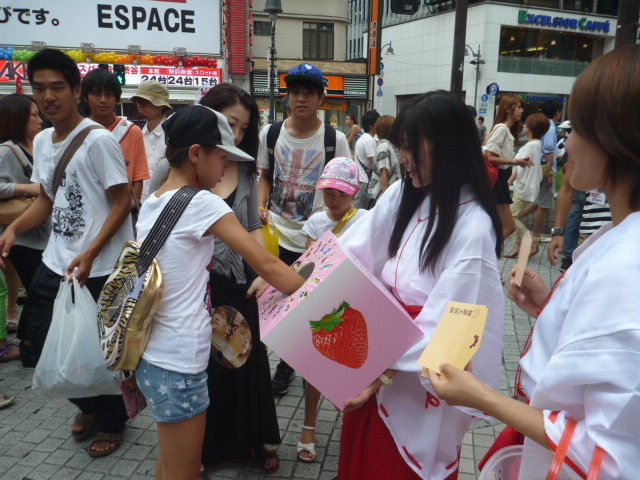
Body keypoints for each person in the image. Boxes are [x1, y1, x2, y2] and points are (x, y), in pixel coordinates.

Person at [429, 45, 640, 480]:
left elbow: (610, 453)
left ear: (616, 136)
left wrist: (484, 397)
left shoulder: (628, 264)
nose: (564, 147)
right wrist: (550, 308)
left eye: (577, 129)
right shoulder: (620, 238)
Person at [337, 90, 504, 479]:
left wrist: (378, 372)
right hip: (379, 353)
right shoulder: (405, 192)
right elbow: (354, 249)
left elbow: (448, 332)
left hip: (412, 374)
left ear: (447, 147)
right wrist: (298, 277)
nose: (403, 159)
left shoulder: (474, 226)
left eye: (411, 148)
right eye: (401, 148)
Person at [134, 104, 305, 480]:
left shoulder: (155, 202)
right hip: (180, 363)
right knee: (183, 472)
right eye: (222, 156)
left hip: (154, 357)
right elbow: (269, 265)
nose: (227, 167)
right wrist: (315, 280)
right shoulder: (201, 202)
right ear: (196, 154)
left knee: (168, 464)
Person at [0, 48, 133, 457]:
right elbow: (47, 197)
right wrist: (15, 228)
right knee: (39, 343)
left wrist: (93, 251)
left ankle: (112, 419)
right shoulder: (42, 140)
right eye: (40, 88)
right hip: (56, 259)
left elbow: (123, 200)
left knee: (97, 350)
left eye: (58, 86)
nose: (49, 96)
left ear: (76, 90)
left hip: (99, 266)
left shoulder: (98, 141)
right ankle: (87, 403)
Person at [257, 63, 351, 397]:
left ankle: (286, 365)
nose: (300, 98)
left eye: (308, 92)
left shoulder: (333, 139)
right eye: (295, 91)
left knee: (302, 306)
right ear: (287, 95)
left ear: (321, 98)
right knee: (272, 301)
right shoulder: (270, 134)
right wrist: (261, 204)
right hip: (275, 235)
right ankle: (271, 357)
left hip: (313, 239)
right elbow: (264, 175)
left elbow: (346, 185)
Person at [297, 157, 366, 463]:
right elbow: (311, 262)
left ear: (355, 193)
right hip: (323, 302)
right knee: (315, 368)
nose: (335, 200)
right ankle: (308, 427)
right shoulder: (314, 222)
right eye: (329, 193)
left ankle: (352, 433)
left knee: (355, 370)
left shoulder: (365, 218)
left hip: (356, 300)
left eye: (342, 194)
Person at [0, 93, 49, 342]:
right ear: (17, 119)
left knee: (39, 292)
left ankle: (30, 343)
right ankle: (31, 345)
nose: (39, 120)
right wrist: (22, 188)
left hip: (42, 233)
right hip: (21, 238)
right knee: (39, 292)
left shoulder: (40, 146)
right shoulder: (7, 151)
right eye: (33, 115)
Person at [81, 68, 149, 210]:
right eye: (96, 93)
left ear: (117, 98)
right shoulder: (78, 132)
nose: (103, 100)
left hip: (122, 209)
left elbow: (138, 178)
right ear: (85, 97)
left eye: (109, 94)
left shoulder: (132, 131)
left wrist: (129, 209)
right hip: (87, 209)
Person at [484, 95, 533, 239]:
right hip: (497, 178)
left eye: (521, 107)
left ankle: (487, 251)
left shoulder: (505, 129)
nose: (521, 111)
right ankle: (487, 251)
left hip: (499, 178)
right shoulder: (502, 129)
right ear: (507, 109)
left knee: (502, 224)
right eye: (518, 107)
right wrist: (517, 162)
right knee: (509, 226)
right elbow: (490, 156)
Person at [504, 113, 549, 258]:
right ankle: (517, 247)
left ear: (532, 128)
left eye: (527, 124)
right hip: (526, 185)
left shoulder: (530, 146)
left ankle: (530, 241)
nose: (523, 125)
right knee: (516, 216)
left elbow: (519, 168)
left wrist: (508, 183)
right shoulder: (536, 144)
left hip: (523, 186)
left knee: (512, 217)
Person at [529, 99, 563, 251]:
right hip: (546, 169)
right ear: (557, 112)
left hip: (539, 168)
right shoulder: (550, 127)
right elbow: (548, 150)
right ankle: (536, 234)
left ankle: (515, 217)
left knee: (539, 200)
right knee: (545, 204)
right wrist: (550, 175)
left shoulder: (544, 125)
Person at [131, 80, 172, 202]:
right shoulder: (136, 135)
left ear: (162, 105)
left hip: (164, 203)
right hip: (139, 205)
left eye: (146, 101)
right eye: (138, 101)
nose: (140, 104)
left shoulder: (172, 136)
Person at [366, 115, 400, 204]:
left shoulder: (386, 145)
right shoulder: (384, 146)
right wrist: (387, 199)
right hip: (381, 197)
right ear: (389, 129)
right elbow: (383, 172)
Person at [353, 109, 380, 208]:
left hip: (360, 177)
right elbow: (374, 163)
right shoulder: (369, 140)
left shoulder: (363, 138)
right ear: (371, 125)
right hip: (364, 179)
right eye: (378, 122)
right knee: (360, 209)